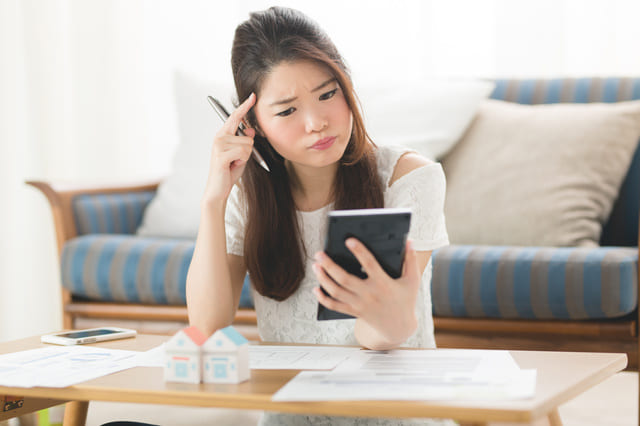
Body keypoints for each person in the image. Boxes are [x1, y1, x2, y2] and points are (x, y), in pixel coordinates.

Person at [186, 6, 451, 426]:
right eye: (287, 111)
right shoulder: (249, 197)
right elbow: (206, 324)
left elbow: (374, 338)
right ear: (252, 124)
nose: (316, 123)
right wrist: (213, 199)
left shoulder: (407, 179)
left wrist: (392, 319)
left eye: (328, 94)